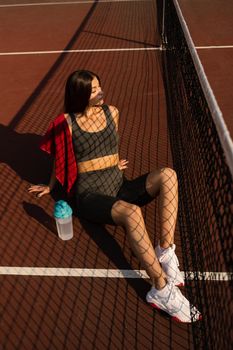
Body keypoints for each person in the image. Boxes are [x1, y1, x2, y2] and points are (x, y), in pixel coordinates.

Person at [28, 70, 201, 323]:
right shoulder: (65, 122)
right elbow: (59, 155)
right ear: (81, 94)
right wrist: (52, 185)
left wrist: (110, 164)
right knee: (132, 212)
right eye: (94, 90)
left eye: (100, 87)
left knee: (168, 175)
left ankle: (164, 251)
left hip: (118, 184)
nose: (101, 92)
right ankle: (161, 288)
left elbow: (111, 145)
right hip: (89, 195)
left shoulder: (113, 112)